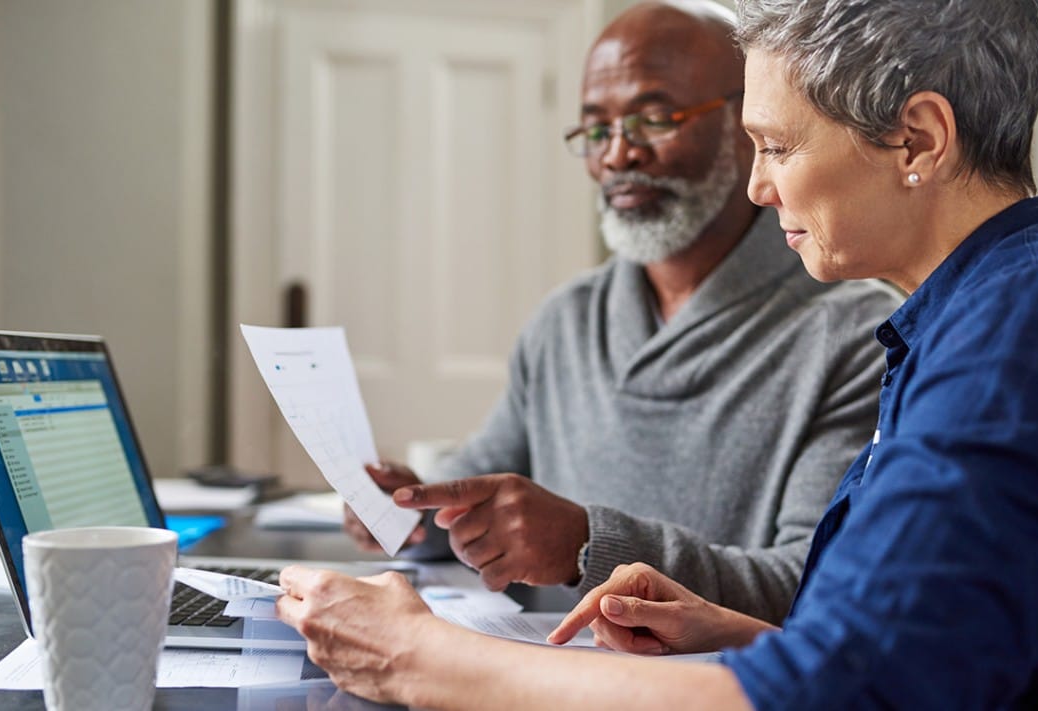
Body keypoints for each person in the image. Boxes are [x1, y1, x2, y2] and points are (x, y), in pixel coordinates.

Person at [276, 0, 1038, 707]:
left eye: (776, 145)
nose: (760, 183)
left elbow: (854, 692)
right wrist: (737, 633)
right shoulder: (970, 316)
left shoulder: (1035, 319)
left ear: (917, 139)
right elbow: (927, 663)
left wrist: (423, 660)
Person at [344, 0, 899, 623]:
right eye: (597, 129)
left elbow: (813, 580)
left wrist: (589, 546)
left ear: (749, 124)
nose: (617, 155)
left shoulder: (857, 336)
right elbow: (479, 498)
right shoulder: (566, 322)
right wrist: (413, 508)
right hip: (536, 673)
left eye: (653, 118)